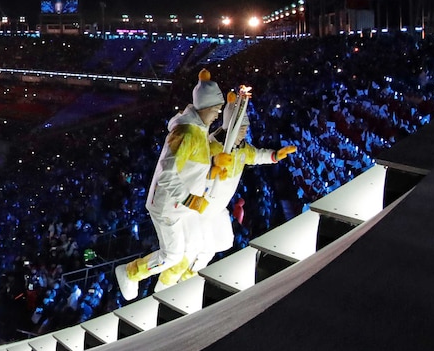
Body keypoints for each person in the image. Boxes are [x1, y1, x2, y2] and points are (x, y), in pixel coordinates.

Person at [154, 93, 297, 290]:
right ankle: (166, 285)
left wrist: (274, 155)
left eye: (246, 129)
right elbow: (193, 170)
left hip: (219, 208)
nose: (245, 133)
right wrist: (212, 166)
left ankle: (187, 280)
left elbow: (255, 156)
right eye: (242, 129)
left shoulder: (243, 148)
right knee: (194, 250)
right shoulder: (211, 145)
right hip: (202, 207)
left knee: (223, 242)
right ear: (230, 128)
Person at [114, 68, 226, 300]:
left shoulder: (198, 129)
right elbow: (166, 175)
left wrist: (216, 159)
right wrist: (191, 200)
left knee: (196, 247)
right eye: (217, 109)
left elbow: (198, 158)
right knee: (173, 255)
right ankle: (129, 273)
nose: (218, 114)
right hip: (167, 207)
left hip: (183, 207)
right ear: (205, 107)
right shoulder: (186, 133)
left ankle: (173, 289)